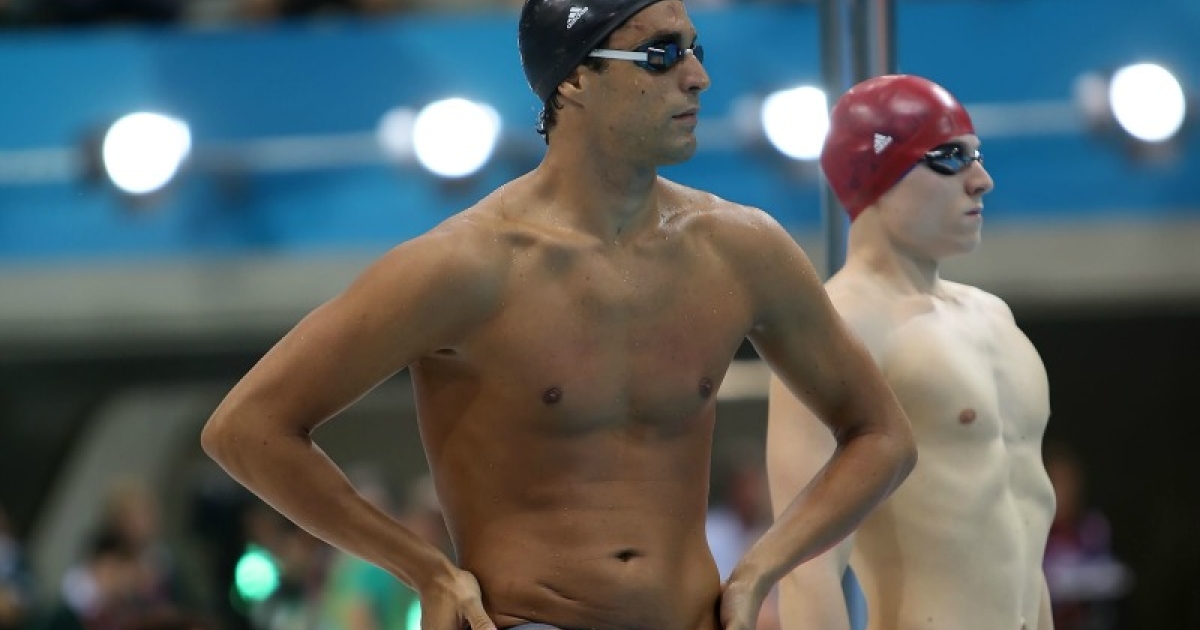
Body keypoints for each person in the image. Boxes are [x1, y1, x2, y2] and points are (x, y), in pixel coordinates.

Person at [200, 4, 917, 630]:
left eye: (696, 49)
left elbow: (882, 435)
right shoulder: (466, 266)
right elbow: (247, 429)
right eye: (661, 54)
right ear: (574, 79)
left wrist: (764, 566)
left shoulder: (742, 250)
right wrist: (422, 568)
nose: (697, 77)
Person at [766, 74, 1057, 630]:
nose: (982, 181)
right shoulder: (838, 330)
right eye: (950, 158)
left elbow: (1022, 541)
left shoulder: (995, 318)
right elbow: (806, 567)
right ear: (876, 173)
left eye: (977, 157)